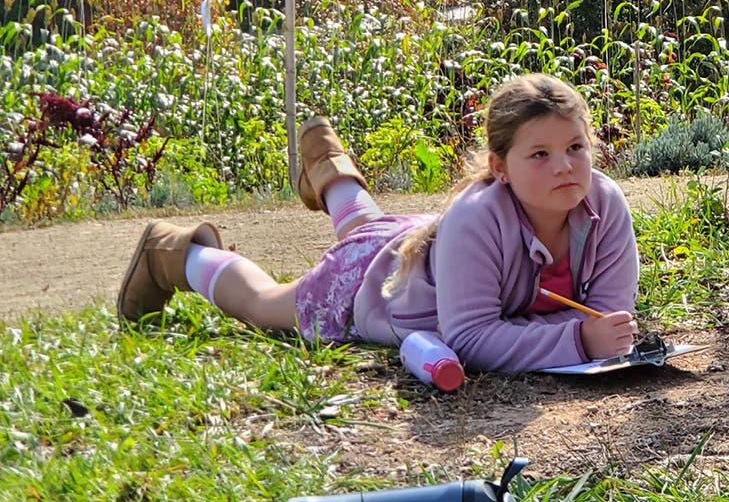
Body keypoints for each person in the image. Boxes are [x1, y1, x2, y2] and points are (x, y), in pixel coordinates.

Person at [116, 73, 642, 386]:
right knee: (265, 303)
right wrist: (577, 339)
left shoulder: (606, 204)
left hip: (418, 244)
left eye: (576, 147)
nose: (566, 167)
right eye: (541, 155)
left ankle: (331, 169)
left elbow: (613, 321)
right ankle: (176, 253)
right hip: (373, 287)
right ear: (500, 167)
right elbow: (471, 337)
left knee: (370, 228)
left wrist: (601, 336)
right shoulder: (476, 219)